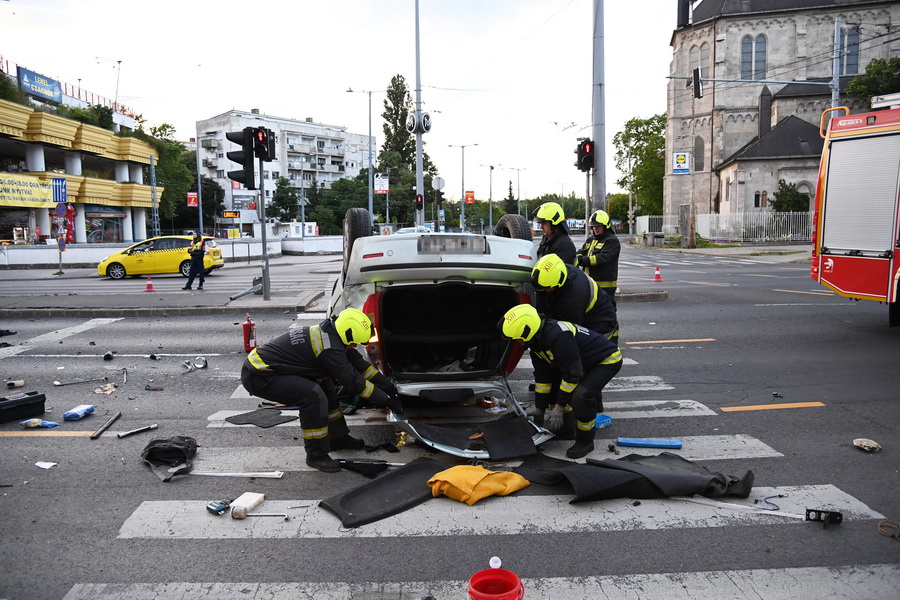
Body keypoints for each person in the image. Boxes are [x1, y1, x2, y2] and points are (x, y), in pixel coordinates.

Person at [241, 308, 403, 472]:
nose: (354, 346)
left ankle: (338, 438)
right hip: (260, 375)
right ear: (347, 335)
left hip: (273, 370)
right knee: (313, 396)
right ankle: (316, 455)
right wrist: (387, 401)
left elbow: (361, 366)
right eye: (354, 343)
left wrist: (388, 386)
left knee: (327, 389)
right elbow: (354, 382)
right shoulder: (329, 347)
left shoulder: (333, 335)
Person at [500, 303, 622, 459]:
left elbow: (572, 376)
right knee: (554, 390)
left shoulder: (558, 336)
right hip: (581, 363)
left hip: (605, 361)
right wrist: (540, 407)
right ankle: (566, 431)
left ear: (526, 332)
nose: (516, 342)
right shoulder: (536, 342)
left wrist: (559, 407)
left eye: (516, 338)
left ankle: (585, 441)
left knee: (580, 397)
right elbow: (543, 378)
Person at [531, 253, 619, 345]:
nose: (544, 291)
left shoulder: (573, 297)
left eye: (546, 289)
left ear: (559, 282)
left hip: (600, 327)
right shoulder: (554, 278)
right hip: (585, 319)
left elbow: (567, 333)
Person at [577, 209, 621, 307]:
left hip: (605, 288)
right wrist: (578, 257)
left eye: (598, 226)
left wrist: (582, 260)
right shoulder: (590, 240)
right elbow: (580, 252)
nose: (595, 228)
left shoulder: (612, 241)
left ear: (606, 226)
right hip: (590, 285)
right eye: (593, 226)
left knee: (607, 315)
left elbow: (601, 258)